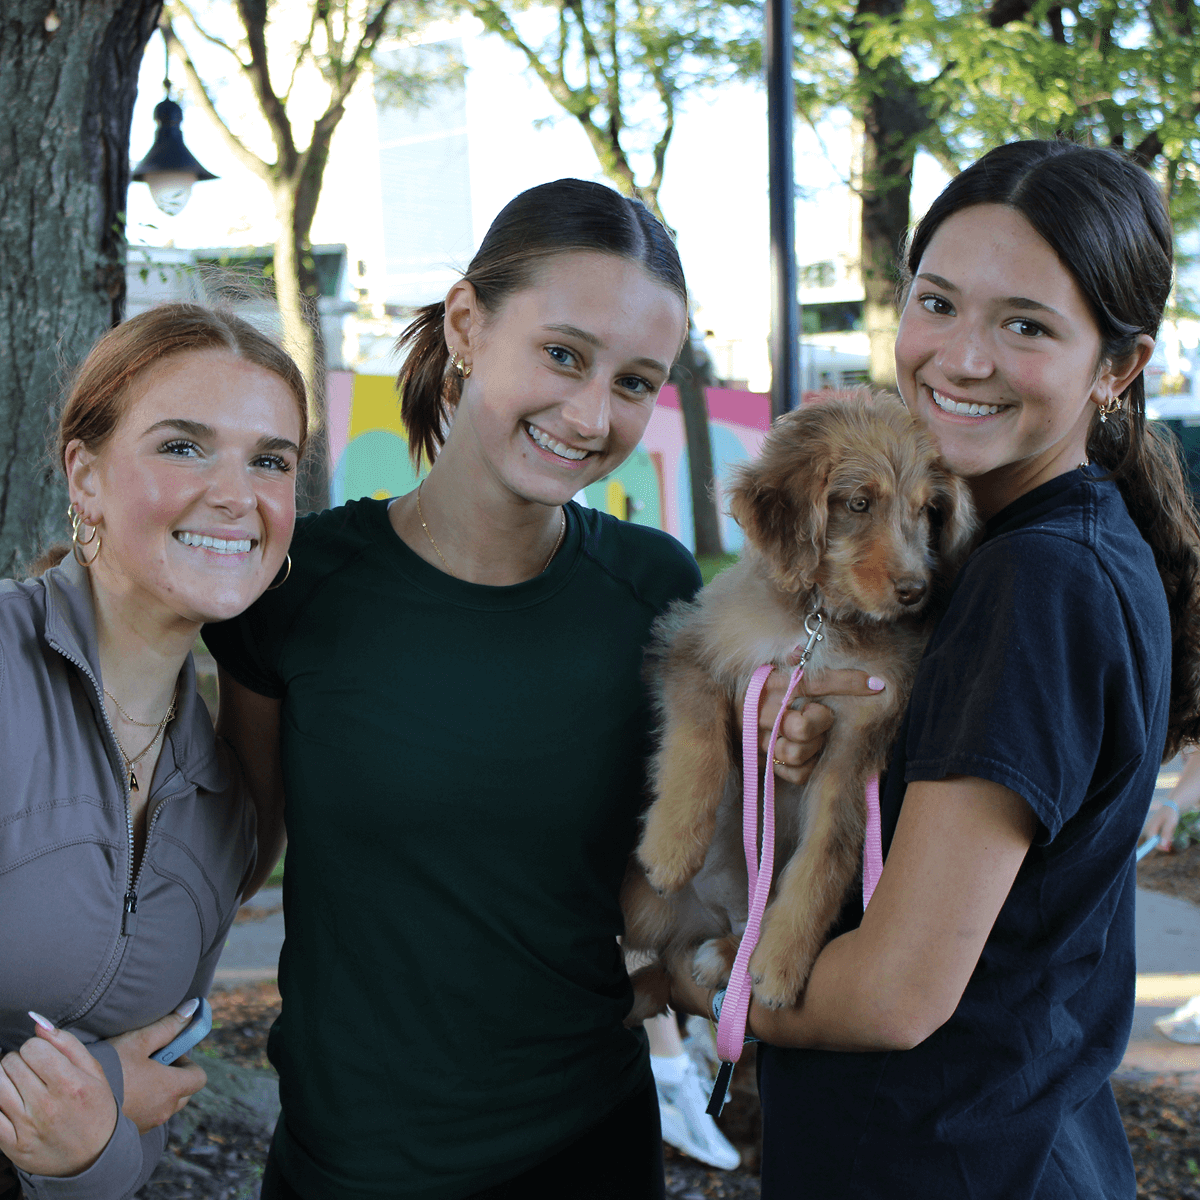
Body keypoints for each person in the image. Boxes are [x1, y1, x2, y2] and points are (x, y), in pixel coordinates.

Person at [666, 139, 1200, 1198]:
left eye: (1026, 326)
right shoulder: (1011, 549)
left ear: (1117, 367)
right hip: (1008, 1138)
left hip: (948, 1163)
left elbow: (896, 993)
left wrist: (689, 980)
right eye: (938, 302)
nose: (961, 357)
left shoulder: (1039, 581)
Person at [203, 179, 705, 1199]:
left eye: (635, 382)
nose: (590, 413)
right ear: (469, 323)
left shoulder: (656, 592)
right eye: (562, 354)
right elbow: (230, 857)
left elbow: (663, 883)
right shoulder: (300, 586)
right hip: (348, 1161)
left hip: (582, 1148)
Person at [0, 304, 306, 1199]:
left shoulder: (227, 798)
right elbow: (128, 1091)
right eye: (183, 446)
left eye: (271, 461)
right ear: (84, 474)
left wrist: (90, 1145)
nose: (235, 493)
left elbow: (135, 1138)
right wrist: (107, 1087)